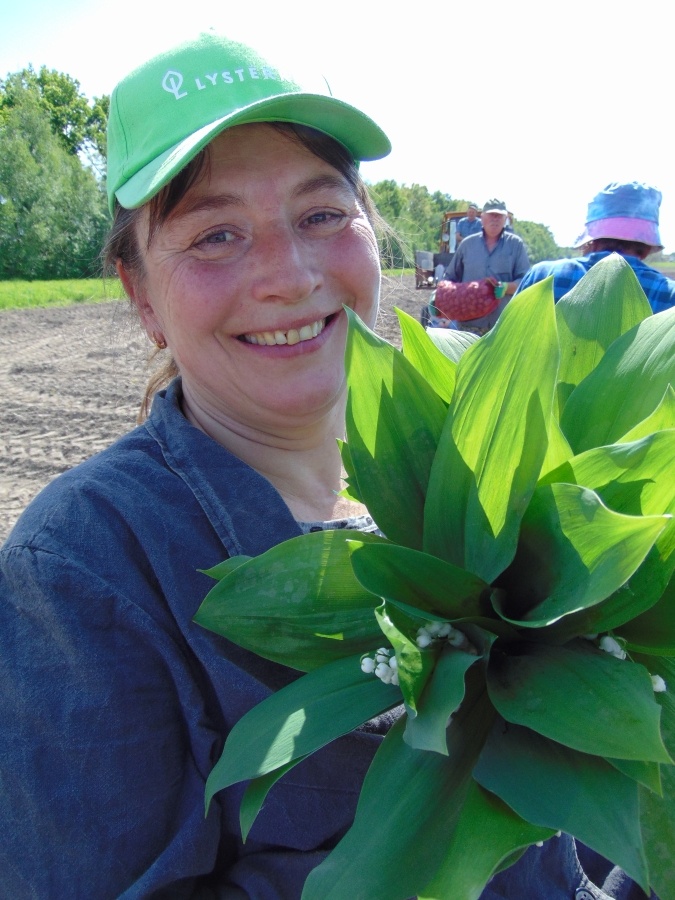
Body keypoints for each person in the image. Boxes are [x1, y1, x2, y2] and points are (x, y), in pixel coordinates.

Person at [0, 31, 653, 900]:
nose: (290, 273)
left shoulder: (498, 445)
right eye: (215, 234)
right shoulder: (87, 566)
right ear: (140, 294)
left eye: (319, 215)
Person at [515, 181, 675, 313]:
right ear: (647, 246)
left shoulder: (542, 276)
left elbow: (504, 346)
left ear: (591, 239)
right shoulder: (668, 295)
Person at [440, 198, 531, 334]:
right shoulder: (467, 245)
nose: (495, 219)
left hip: (502, 326)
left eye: (499, 215)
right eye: (491, 215)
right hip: (468, 326)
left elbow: (526, 282)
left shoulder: (515, 245)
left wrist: (506, 287)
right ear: (482, 218)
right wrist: (440, 297)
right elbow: (450, 278)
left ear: (505, 218)